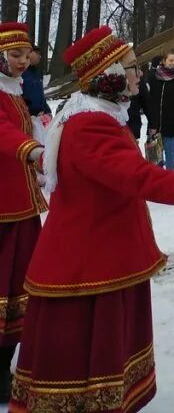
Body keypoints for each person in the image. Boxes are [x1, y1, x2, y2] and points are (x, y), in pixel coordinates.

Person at [10, 26, 174, 413]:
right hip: (90, 260)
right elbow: (136, 174)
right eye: (131, 68)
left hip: (101, 252)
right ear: (108, 78)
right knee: (86, 349)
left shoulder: (96, 115)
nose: (137, 75)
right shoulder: (90, 125)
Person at [0, 24, 45, 405]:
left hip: (21, 202)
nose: (22, 61)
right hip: (4, 206)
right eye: (15, 55)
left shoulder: (17, 91)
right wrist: (31, 149)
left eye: (25, 55)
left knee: (19, 286)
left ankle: (4, 365)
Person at [144, 53, 174, 171]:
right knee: (154, 151)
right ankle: (155, 175)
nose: (173, 63)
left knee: (170, 149)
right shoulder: (153, 76)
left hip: (171, 120)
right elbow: (146, 97)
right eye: (171, 60)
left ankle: (169, 175)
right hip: (154, 121)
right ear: (164, 61)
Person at [20, 45, 49, 121]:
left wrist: (47, 111)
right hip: (27, 117)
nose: (40, 57)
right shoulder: (20, 72)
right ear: (30, 53)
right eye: (38, 53)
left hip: (41, 117)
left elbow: (41, 95)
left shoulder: (36, 73)